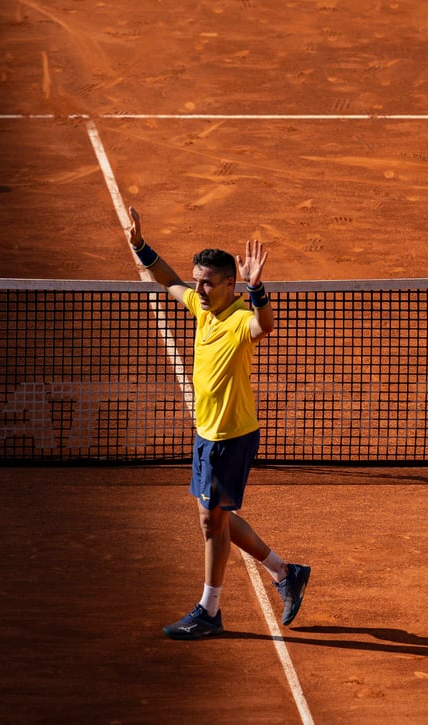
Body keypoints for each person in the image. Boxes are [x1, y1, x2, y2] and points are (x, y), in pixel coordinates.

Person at [123, 206, 311, 640]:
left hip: (231, 436)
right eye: (198, 280)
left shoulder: (240, 320)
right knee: (215, 518)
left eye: (207, 282)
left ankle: (210, 611)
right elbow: (169, 280)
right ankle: (286, 572)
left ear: (230, 284)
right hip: (206, 434)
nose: (199, 289)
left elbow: (265, 324)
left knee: (212, 522)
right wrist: (141, 246)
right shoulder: (202, 308)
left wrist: (257, 288)